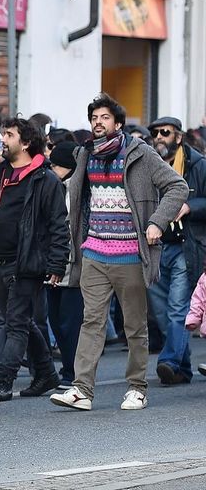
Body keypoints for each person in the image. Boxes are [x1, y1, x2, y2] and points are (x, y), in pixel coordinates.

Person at [51, 94, 188, 412]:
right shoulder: (85, 153)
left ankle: (137, 388)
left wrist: (157, 222)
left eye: (104, 117)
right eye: (94, 118)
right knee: (91, 321)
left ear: (118, 123)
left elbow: (177, 186)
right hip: (95, 253)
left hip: (130, 254)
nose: (98, 122)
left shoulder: (140, 153)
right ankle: (82, 389)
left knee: (135, 326)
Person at [0, 117, 69, 403]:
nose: (2, 140)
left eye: (8, 135)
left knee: (16, 323)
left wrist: (56, 264)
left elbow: (58, 224)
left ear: (26, 142)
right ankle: (46, 373)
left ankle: (4, 380)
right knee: (20, 320)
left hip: (28, 261)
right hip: (0, 259)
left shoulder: (46, 179)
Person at [145, 116, 205, 386]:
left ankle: (168, 361)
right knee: (159, 311)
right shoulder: (148, 165)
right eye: (155, 132)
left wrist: (190, 206)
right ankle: (182, 369)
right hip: (156, 245)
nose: (159, 137)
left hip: (186, 244)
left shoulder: (197, 165)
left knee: (177, 308)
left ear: (178, 137)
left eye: (165, 132)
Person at [46, 140, 83, 389]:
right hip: (54, 264)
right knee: (56, 319)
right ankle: (68, 370)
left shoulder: (76, 190)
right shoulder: (56, 186)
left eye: (55, 165)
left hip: (73, 267)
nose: (52, 170)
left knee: (70, 323)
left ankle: (73, 372)